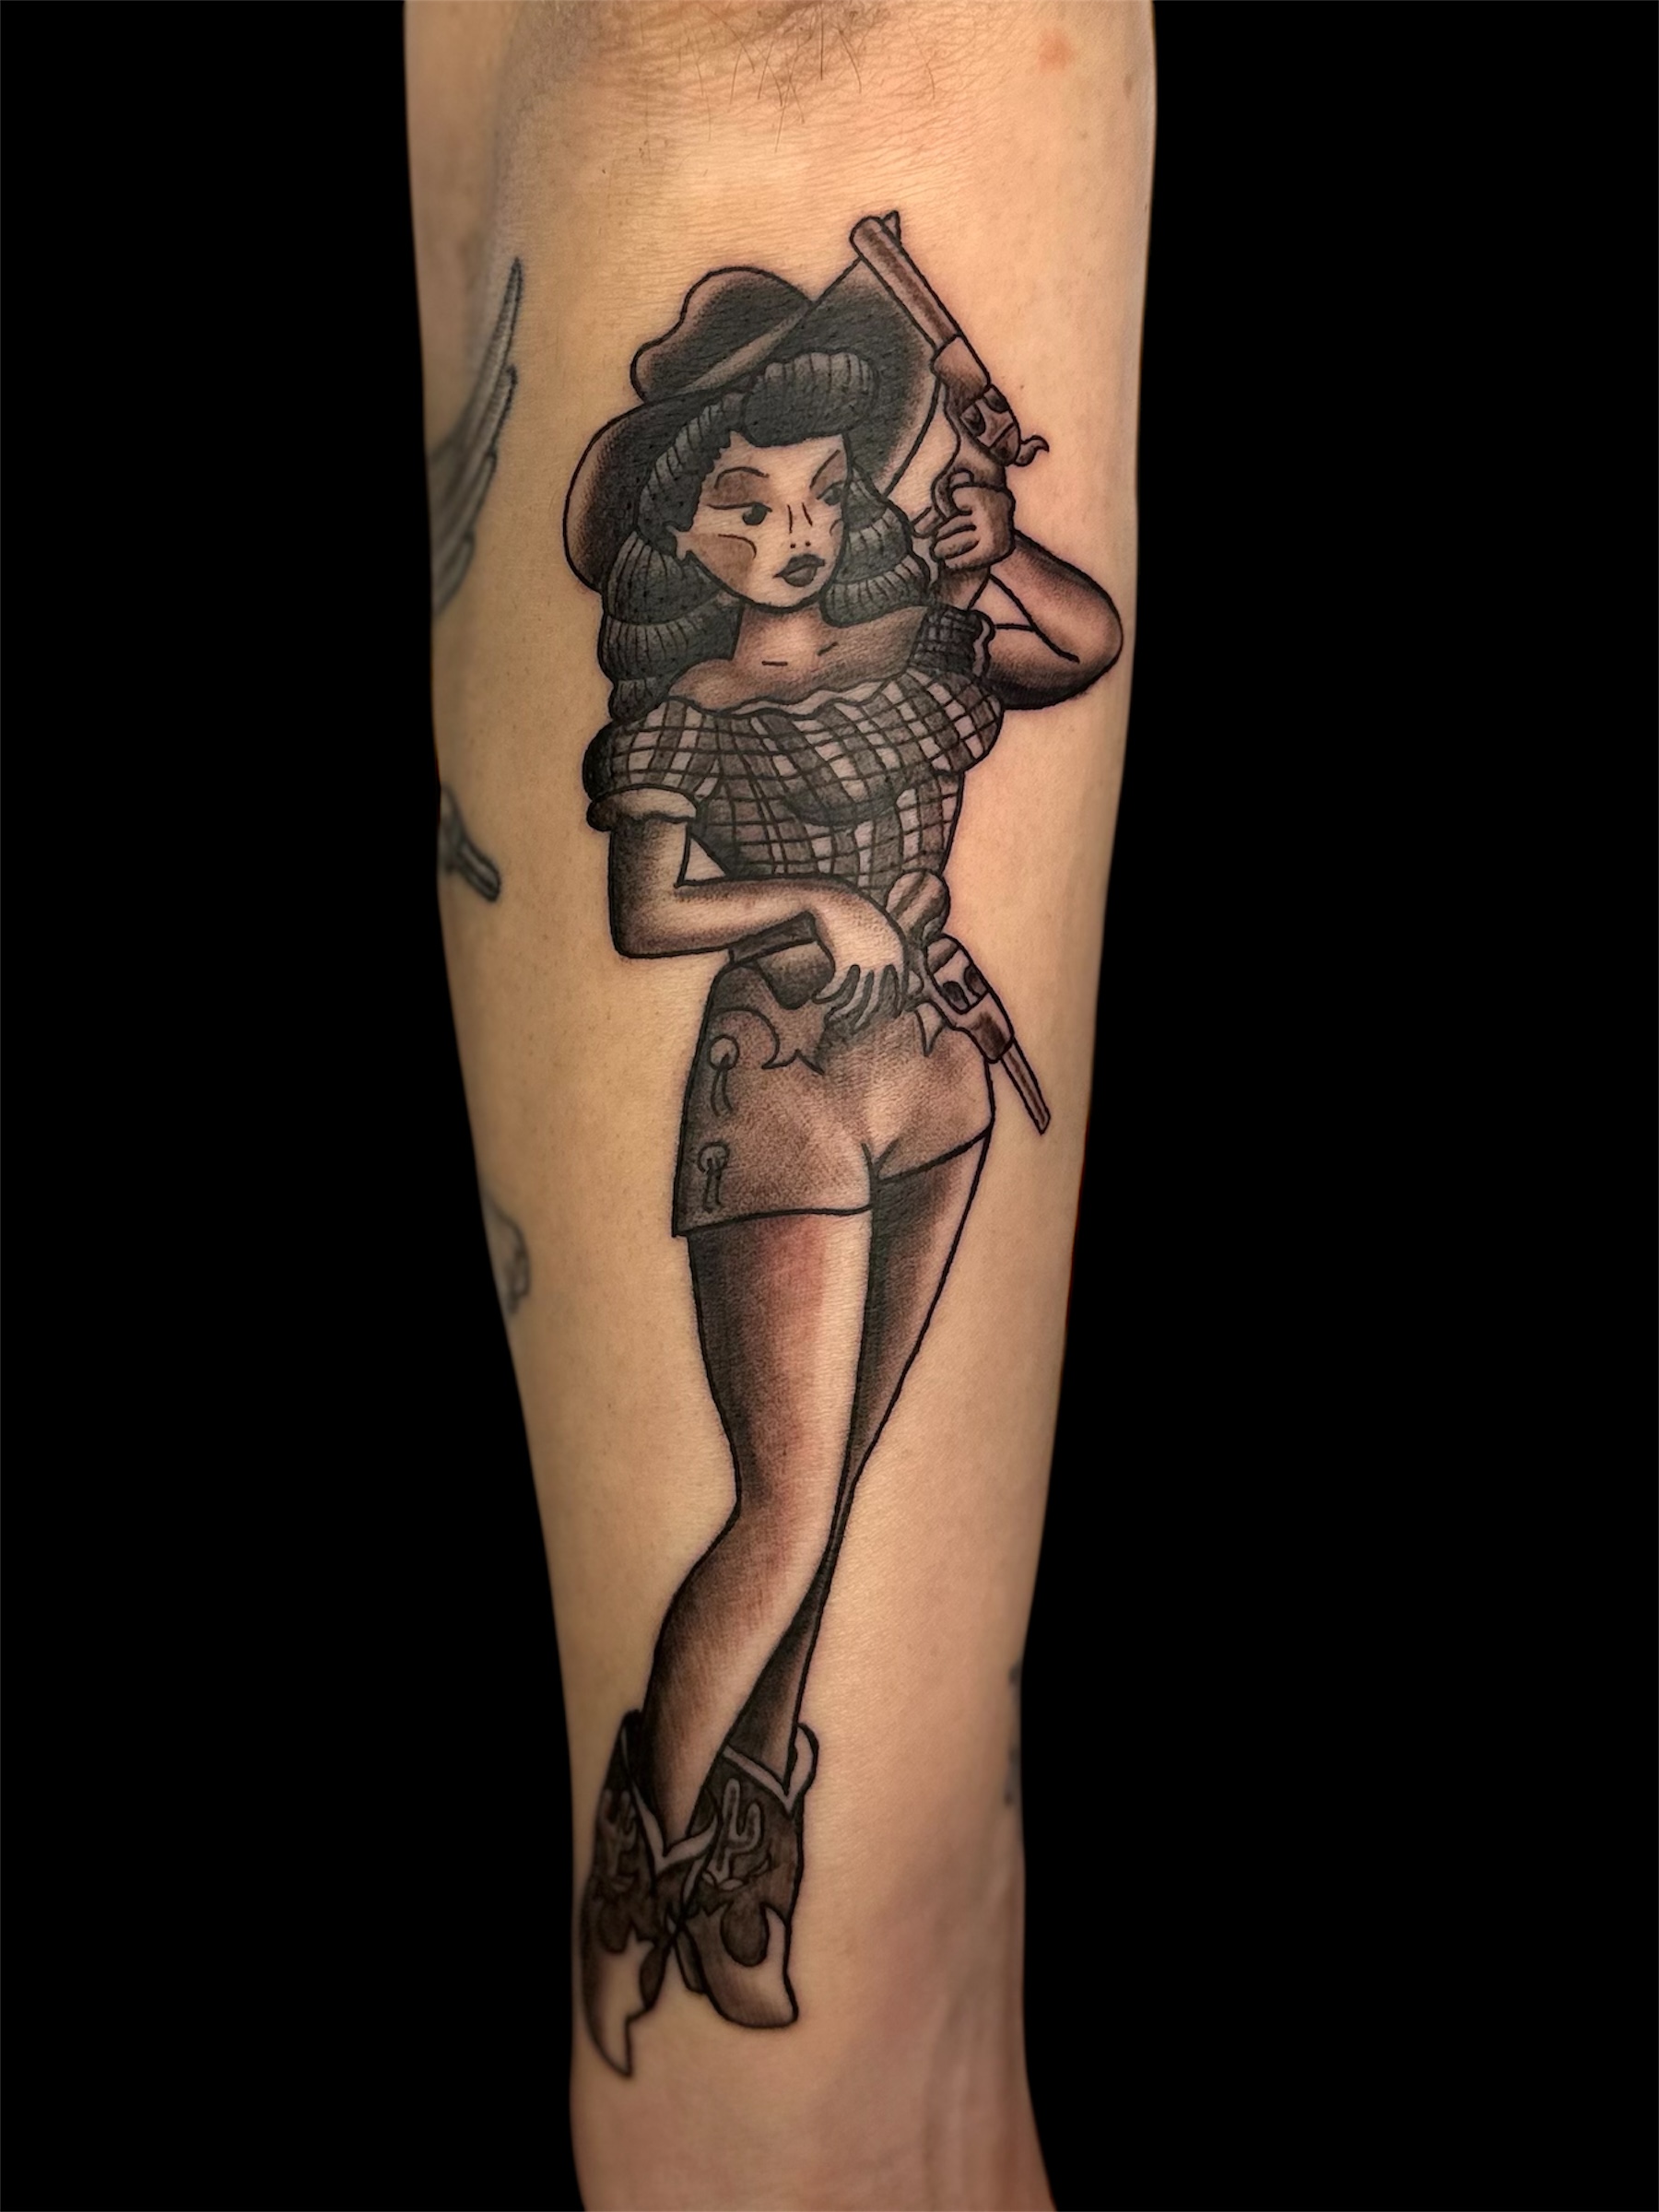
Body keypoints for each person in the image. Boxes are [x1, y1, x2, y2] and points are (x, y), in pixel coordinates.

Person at [408, 7, 1153, 2201]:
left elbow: (1073, 642)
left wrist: (981, 529)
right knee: (782, 1511)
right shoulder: (681, 707)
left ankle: (751, 1872)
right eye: (745, 497)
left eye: (823, 488)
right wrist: (817, 2129)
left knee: (825, 1534)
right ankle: (670, 1900)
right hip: (787, 1092)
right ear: (680, 524)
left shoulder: (910, 624)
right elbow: (771, 50)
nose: (798, 527)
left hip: (939, 1077)